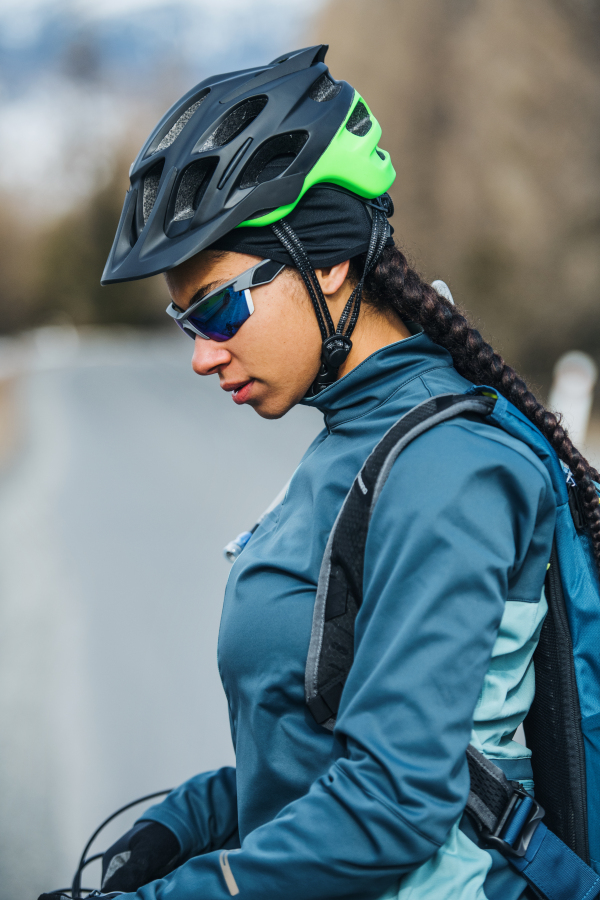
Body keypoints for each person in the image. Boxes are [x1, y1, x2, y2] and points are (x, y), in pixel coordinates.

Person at [53, 45, 600, 900]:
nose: (202, 355)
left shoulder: (448, 468)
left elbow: (397, 802)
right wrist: (190, 820)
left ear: (330, 260)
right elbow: (326, 742)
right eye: (181, 321)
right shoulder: (359, 436)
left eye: (220, 307)